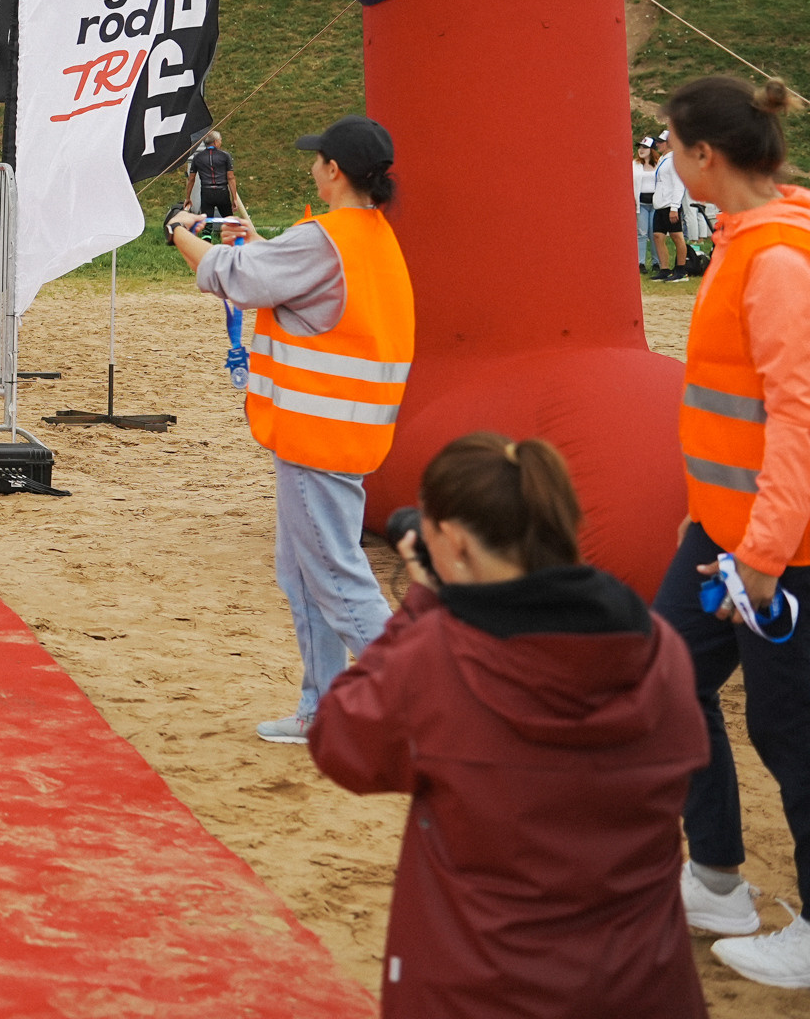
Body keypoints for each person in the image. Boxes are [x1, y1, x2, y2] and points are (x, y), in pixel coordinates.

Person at [308, 434, 707, 1018]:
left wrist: (421, 604)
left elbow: (340, 741)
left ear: (457, 543)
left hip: (483, 986)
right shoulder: (659, 650)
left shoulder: (438, 660)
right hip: (639, 983)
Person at [170, 115, 414, 743]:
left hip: (317, 434)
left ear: (334, 171)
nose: (312, 166)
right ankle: (320, 709)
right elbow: (304, 281)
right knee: (305, 573)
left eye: (318, 160)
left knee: (333, 576)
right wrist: (264, 245)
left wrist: (181, 234)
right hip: (342, 432)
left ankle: (423, 697)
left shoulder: (324, 239)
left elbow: (236, 279)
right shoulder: (370, 235)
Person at [644, 75, 810, 987]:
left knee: (791, 731)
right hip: (723, 531)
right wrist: (714, 521)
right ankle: (714, 878)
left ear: (706, 156)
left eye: (671, 146)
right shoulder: (747, 236)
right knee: (669, 674)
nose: (668, 161)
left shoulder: (777, 261)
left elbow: (798, 419)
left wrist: (762, 553)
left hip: (782, 551)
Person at [653, 133, 690, 281]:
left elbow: (678, 184)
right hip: (661, 204)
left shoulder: (674, 160)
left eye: (661, 142)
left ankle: (681, 270)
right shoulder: (664, 159)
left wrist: (675, 206)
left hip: (670, 204)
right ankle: (664, 268)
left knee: (677, 236)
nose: (657, 144)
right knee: (657, 236)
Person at [187, 130, 242, 222]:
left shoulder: (197, 157)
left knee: (207, 223)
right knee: (229, 221)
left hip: (206, 192)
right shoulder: (225, 156)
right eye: (220, 140)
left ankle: (206, 236)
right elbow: (231, 177)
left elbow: (191, 178)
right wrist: (234, 198)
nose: (221, 142)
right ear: (216, 142)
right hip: (222, 191)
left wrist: (188, 197)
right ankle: (233, 234)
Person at [634, 137, 658, 275]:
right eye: (640, 147)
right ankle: (641, 262)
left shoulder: (659, 164)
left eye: (645, 147)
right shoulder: (635, 165)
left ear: (651, 150)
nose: (641, 150)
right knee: (641, 233)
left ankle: (656, 262)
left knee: (654, 233)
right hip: (641, 203)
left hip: (655, 203)